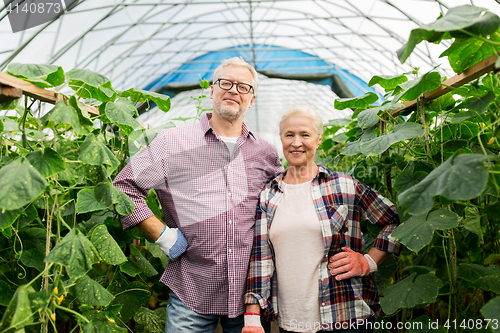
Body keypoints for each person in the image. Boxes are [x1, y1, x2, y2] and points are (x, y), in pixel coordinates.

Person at [113, 57, 283, 333]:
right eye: (225, 83)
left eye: (243, 87)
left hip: (249, 290)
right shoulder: (173, 142)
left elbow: (281, 207)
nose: (233, 90)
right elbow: (124, 187)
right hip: (192, 285)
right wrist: (163, 235)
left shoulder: (265, 153)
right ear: (211, 91)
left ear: (251, 100)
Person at [242, 106, 401, 333]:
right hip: (291, 322)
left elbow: (393, 220)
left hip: (345, 316)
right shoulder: (269, 194)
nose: (297, 142)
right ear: (281, 140)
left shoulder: (344, 186)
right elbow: (261, 258)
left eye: (305, 135)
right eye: (289, 135)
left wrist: (368, 262)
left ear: (318, 140)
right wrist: (252, 317)